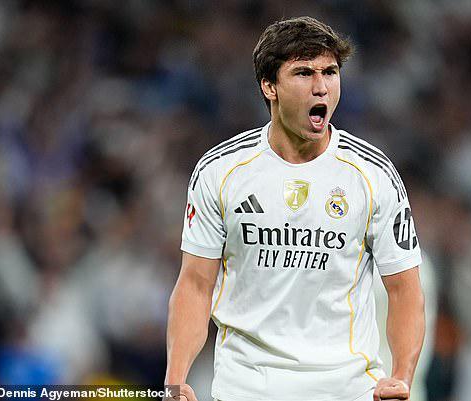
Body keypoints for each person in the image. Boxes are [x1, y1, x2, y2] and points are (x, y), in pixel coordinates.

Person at [165, 16, 425, 401]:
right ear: (269, 86)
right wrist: (175, 379)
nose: (321, 87)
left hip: (345, 391)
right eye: (304, 73)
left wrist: (401, 375)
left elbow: (404, 290)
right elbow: (195, 284)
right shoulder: (220, 171)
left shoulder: (373, 174)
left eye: (330, 72)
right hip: (246, 390)